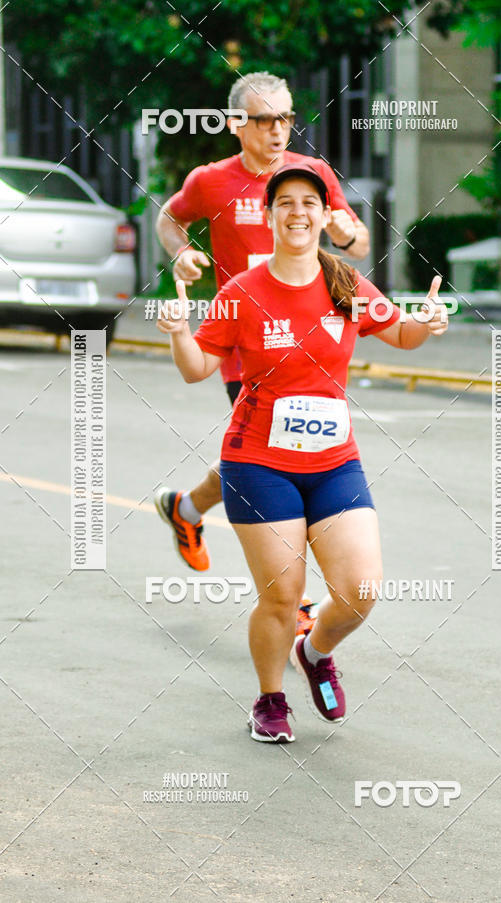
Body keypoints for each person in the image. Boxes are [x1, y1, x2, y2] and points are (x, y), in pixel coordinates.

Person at [157, 163, 448, 743]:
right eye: (284, 202)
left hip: (335, 463)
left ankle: (314, 652)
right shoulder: (242, 292)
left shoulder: (344, 282)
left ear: (323, 215)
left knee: (362, 590)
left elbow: (399, 335)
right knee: (284, 595)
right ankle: (269, 700)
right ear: (268, 218)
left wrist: (425, 320)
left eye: (309, 203)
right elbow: (197, 371)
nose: (297, 212)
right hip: (258, 464)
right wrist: (177, 331)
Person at [154, 71, 370, 576]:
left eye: (286, 118)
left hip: (311, 340)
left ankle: (185, 509)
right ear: (236, 124)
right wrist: (182, 253)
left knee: (263, 449)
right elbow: (170, 218)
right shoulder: (210, 180)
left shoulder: (311, 173)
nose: (278, 130)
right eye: (265, 119)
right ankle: (291, 597)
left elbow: (355, 244)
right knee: (276, 452)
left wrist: (347, 232)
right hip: (242, 342)